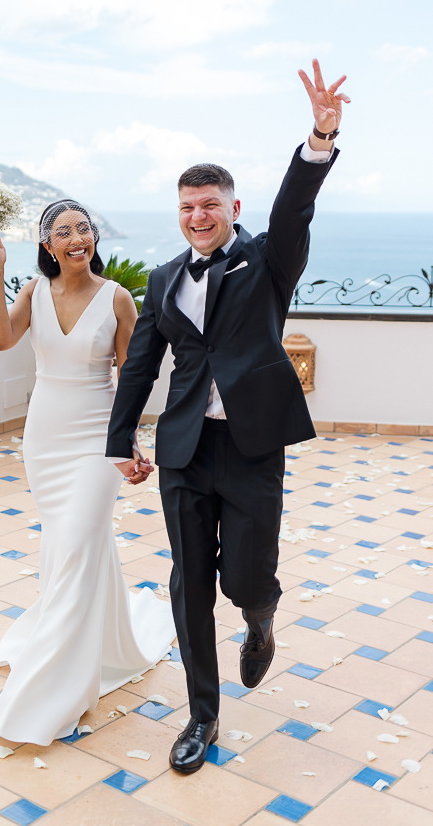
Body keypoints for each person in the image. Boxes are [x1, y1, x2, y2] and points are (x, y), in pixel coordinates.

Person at [106, 60, 350, 773]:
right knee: (188, 585)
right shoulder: (161, 280)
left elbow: (294, 211)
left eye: (209, 204)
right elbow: (141, 364)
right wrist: (121, 440)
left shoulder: (269, 262)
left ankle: (260, 617)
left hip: (249, 447)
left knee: (243, 577)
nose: (197, 215)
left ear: (232, 209)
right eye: (186, 206)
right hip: (182, 449)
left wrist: (318, 140)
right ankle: (201, 716)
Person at [0, 199, 175, 746]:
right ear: (46, 245)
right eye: (62, 232)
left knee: (79, 538)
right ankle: (103, 642)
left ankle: (53, 686)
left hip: (96, 439)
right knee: (70, 547)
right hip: (44, 438)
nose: (75, 238)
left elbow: (133, 378)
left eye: (83, 228)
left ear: (94, 238)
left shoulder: (116, 299)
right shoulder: (33, 293)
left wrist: (129, 444)